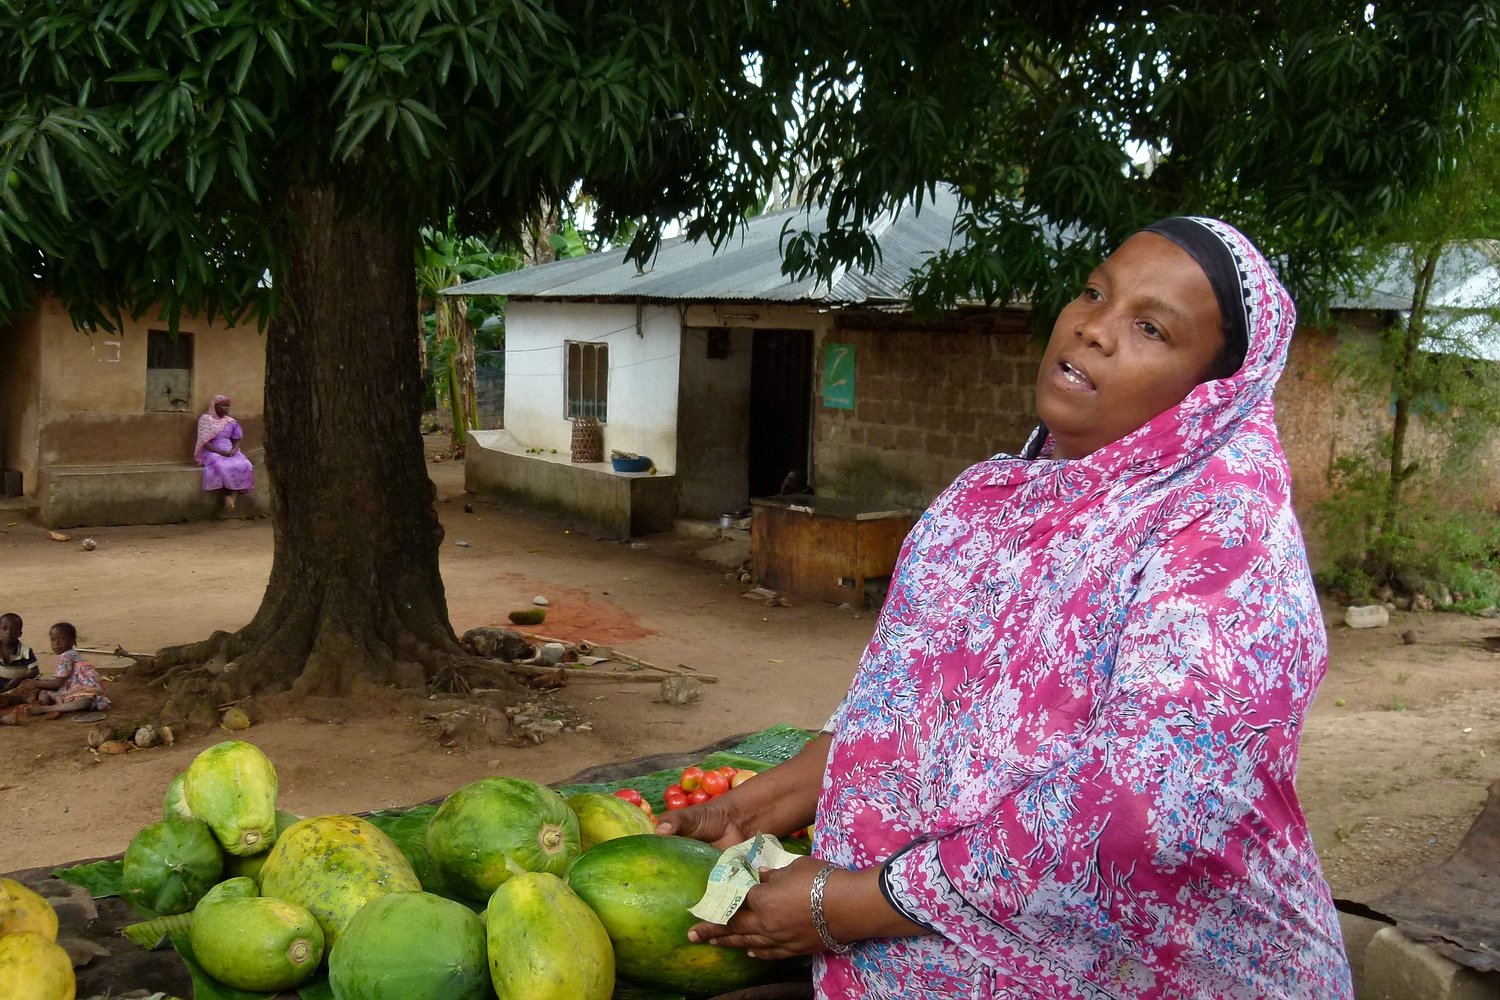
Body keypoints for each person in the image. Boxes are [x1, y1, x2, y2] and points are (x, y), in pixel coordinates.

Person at [657, 217, 1353, 999]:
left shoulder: (1226, 533)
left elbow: (1149, 810)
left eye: (1150, 327)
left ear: (1211, 391)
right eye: (1095, 292)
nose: (1093, 329)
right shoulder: (994, 504)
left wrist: (850, 904)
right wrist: (759, 805)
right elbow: (908, 714)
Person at [10, 623, 109, 720]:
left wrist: (35, 684)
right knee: (46, 689)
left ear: (73, 641)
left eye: (62, 639)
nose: (56, 643)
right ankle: (40, 703)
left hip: (81, 691)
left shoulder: (66, 656)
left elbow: (57, 684)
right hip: (70, 689)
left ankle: (44, 708)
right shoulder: (73, 654)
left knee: (85, 701)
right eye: (53, 640)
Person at [195, 394, 254, 511]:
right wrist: (220, 452)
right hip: (212, 451)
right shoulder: (206, 420)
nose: (227, 408)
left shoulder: (231, 422)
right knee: (221, 466)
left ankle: (231, 497)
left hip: (229, 450)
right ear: (214, 406)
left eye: (228, 406)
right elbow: (204, 442)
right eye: (224, 405)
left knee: (245, 465)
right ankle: (228, 495)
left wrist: (233, 450)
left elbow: (236, 441)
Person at [0, 612, 39, 708]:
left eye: (14, 629)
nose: (8, 632)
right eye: (4, 629)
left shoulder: (24, 650)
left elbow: (35, 671)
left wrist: (19, 678)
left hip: (19, 683)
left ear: (20, 633)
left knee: (25, 689)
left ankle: (18, 698)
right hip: (2, 681)